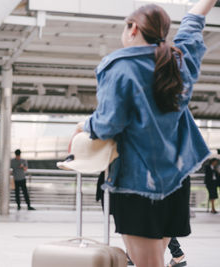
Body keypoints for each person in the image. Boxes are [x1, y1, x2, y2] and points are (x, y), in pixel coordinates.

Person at [70, 1, 217, 266]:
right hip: (177, 180)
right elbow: (193, 22)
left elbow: (108, 124)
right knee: (154, 260)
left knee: (148, 264)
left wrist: (85, 126)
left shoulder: (121, 67)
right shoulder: (178, 60)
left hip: (138, 184)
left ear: (134, 28)